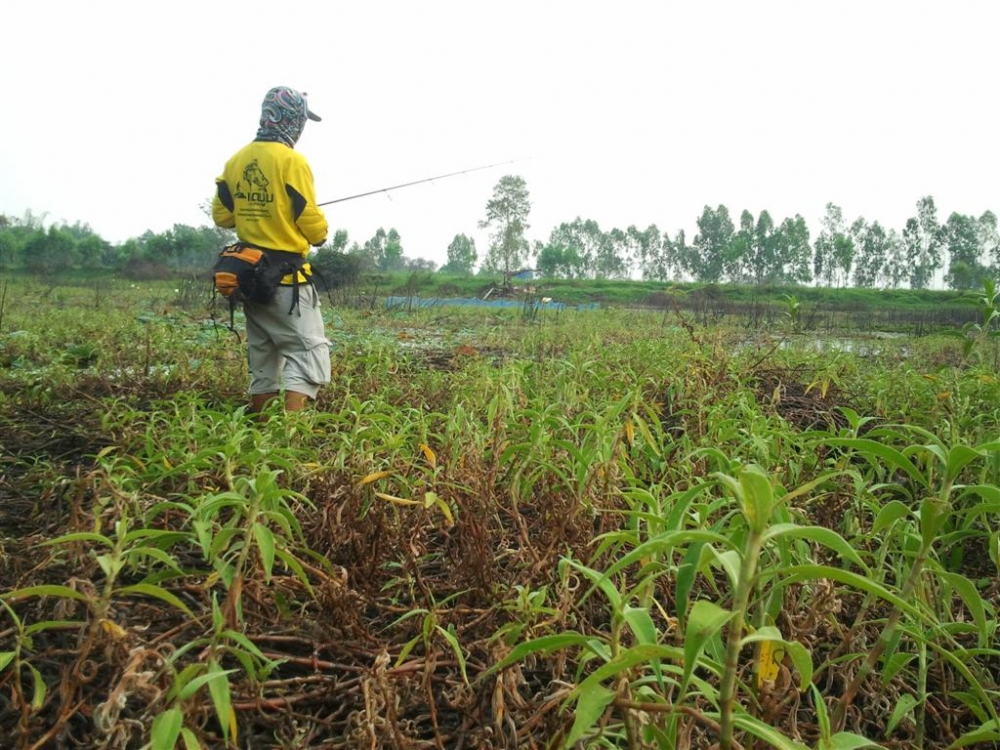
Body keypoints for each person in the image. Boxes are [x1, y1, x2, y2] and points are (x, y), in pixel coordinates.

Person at [212, 86, 331, 414]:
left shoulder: (235, 161)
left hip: (249, 278)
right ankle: (290, 439)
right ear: (292, 120)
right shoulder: (292, 161)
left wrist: (256, 211)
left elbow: (222, 215)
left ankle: (262, 432)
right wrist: (320, 232)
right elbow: (312, 224)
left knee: (263, 357)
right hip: (286, 281)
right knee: (308, 353)